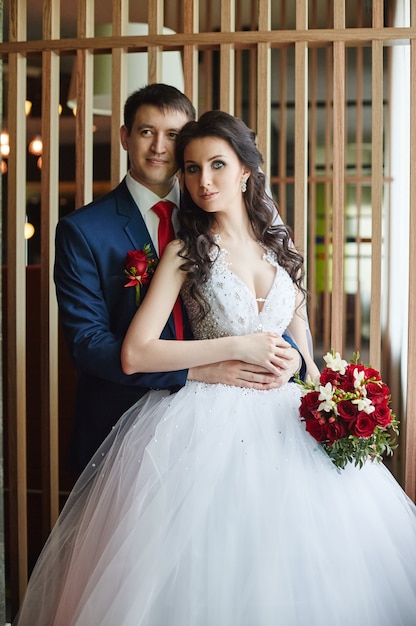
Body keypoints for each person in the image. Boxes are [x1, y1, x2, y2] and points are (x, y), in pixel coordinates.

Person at [15, 111, 416, 626]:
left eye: (217, 166)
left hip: (287, 427)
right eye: (191, 168)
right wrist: (234, 349)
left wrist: (307, 373)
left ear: (246, 171)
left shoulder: (282, 247)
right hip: (205, 424)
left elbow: (302, 341)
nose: (203, 181)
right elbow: (136, 351)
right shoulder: (186, 251)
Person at [54, 83, 304, 475]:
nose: (159, 147)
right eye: (146, 131)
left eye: (172, 135)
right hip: (124, 422)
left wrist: (295, 361)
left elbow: (265, 312)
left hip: (248, 421)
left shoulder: (214, 202)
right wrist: (200, 370)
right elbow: (88, 344)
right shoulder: (83, 230)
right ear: (125, 137)